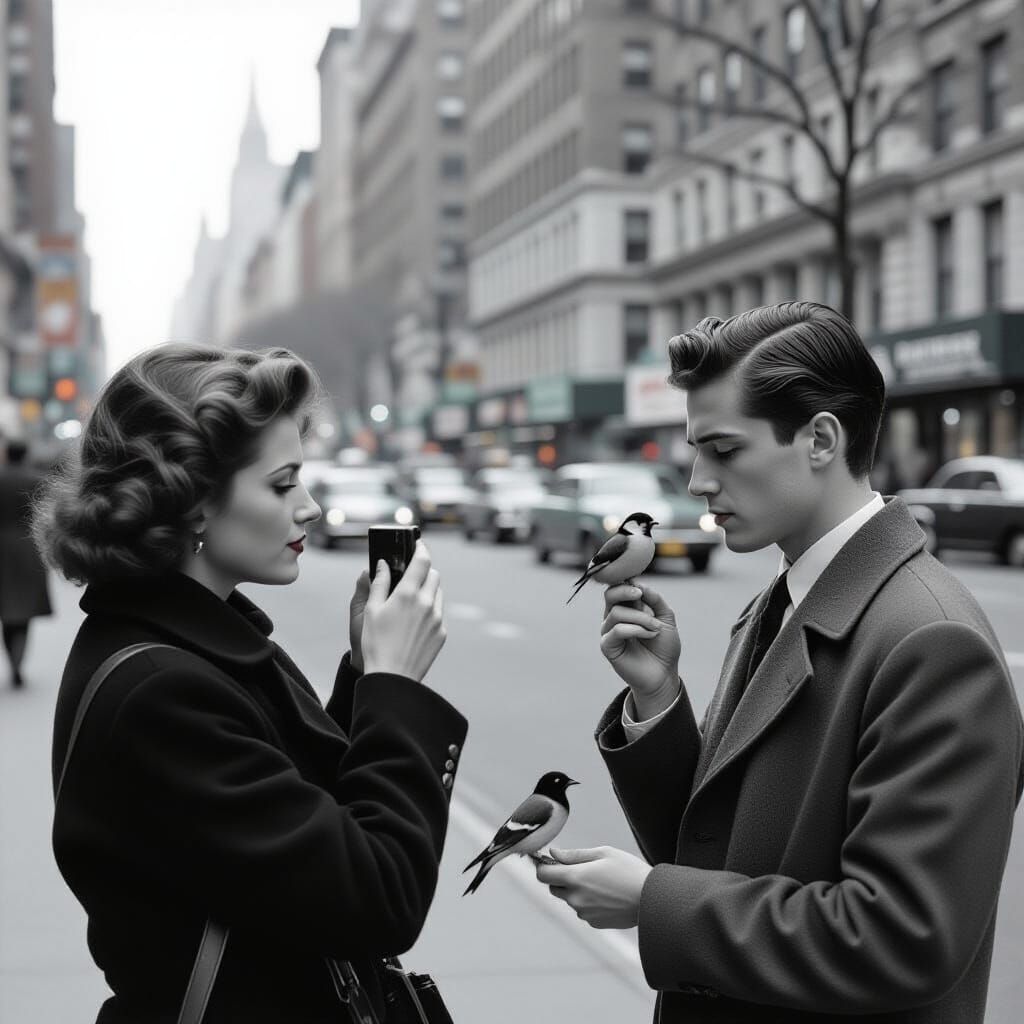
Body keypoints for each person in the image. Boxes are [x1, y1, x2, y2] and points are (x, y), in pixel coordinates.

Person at [537, 302, 1024, 1022]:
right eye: (696, 449)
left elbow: (901, 938)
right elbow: (720, 850)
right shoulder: (785, 596)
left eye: (724, 450)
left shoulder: (931, 639)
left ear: (821, 439)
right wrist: (659, 702)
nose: (699, 479)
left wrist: (651, 902)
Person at [34, 343, 467, 1023]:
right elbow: (380, 897)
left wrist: (361, 674)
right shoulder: (159, 687)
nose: (312, 508)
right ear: (196, 501)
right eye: (282, 483)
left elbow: (298, 818)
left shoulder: (187, 643)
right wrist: (393, 685)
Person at [0, 436, 53, 687]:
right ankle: (18, 663)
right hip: (27, 548)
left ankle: (12, 660)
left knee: (6, 610)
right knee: (24, 611)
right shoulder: (37, 481)